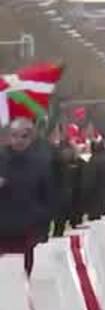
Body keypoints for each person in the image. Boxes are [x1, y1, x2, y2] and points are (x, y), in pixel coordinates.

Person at [0, 116, 55, 273]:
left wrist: (42, 221)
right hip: (3, 230)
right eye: (15, 135)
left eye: (24, 136)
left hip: (29, 231)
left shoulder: (41, 162)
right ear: (9, 136)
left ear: (30, 138)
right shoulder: (1, 160)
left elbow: (48, 195)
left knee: (27, 272)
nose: (19, 140)